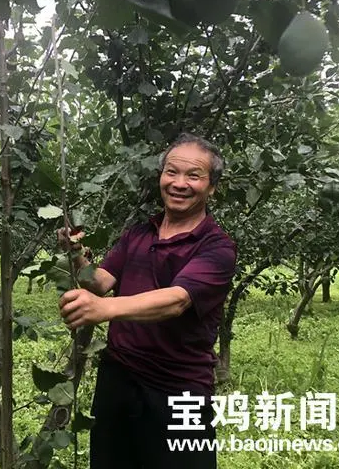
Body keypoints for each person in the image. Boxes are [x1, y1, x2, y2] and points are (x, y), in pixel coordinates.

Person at [56, 133, 237, 468]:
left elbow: (177, 301)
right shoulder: (139, 233)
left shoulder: (216, 247)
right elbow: (100, 282)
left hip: (179, 389)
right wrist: (78, 252)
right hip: (118, 380)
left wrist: (104, 310)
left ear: (212, 187)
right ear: (160, 177)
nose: (179, 183)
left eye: (194, 176)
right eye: (171, 172)